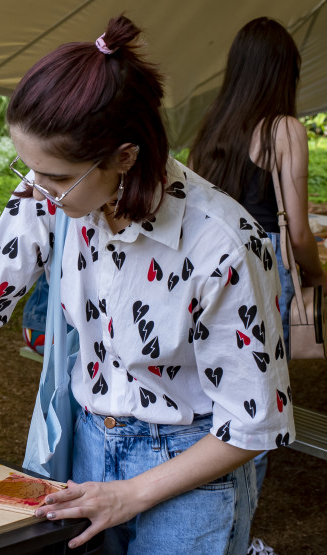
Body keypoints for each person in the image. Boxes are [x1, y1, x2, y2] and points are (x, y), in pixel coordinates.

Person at [0, 15, 294, 554]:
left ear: (124, 156)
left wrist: (131, 494)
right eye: (31, 171)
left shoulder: (225, 244)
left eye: (54, 177)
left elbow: (253, 423)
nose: (39, 193)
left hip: (188, 469)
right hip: (89, 442)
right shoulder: (54, 194)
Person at [189, 18, 324, 555]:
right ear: (281, 73)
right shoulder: (284, 128)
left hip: (208, 266)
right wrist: (317, 275)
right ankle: (236, 539)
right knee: (257, 413)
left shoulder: (214, 126)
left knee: (212, 401)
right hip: (261, 269)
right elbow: (295, 229)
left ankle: (213, 528)